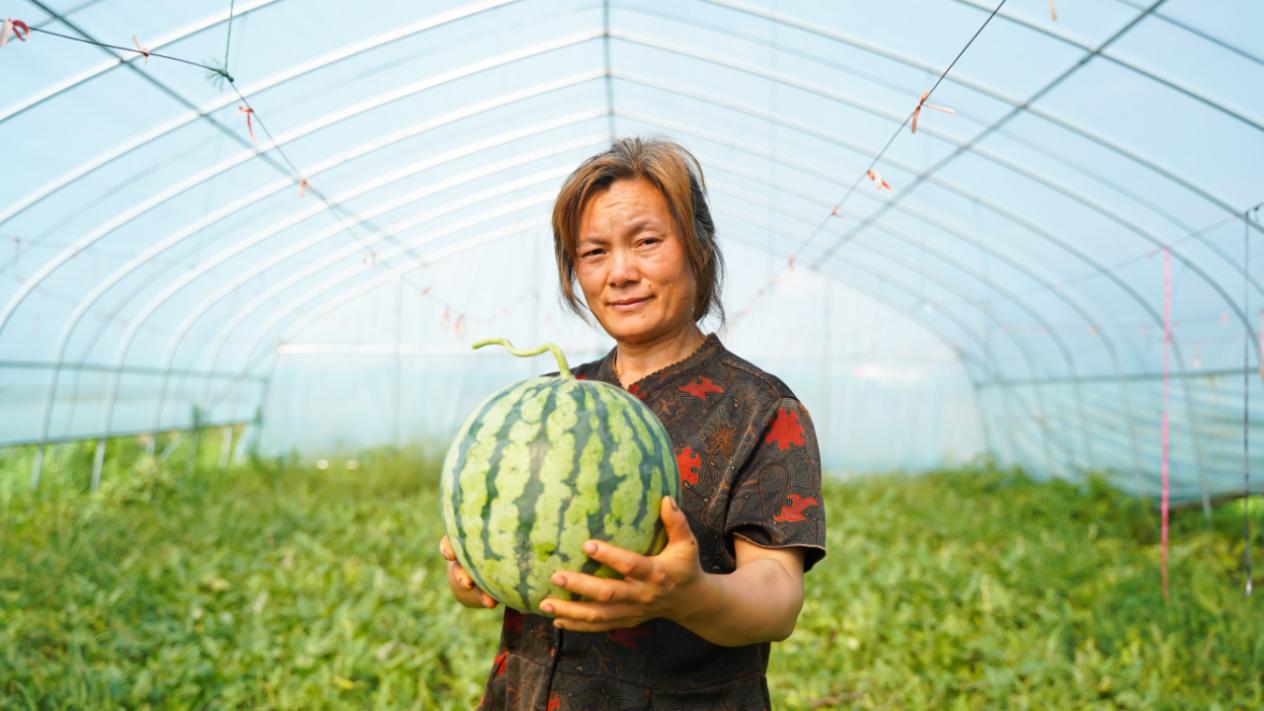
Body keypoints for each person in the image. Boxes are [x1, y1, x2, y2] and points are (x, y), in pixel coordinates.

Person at [439, 136, 826, 709]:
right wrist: (473, 573)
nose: (620, 272)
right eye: (594, 252)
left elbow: (777, 594)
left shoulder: (761, 409)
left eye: (646, 242)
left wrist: (689, 595)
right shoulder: (546, 402)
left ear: (698, 248)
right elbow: (497, 564)